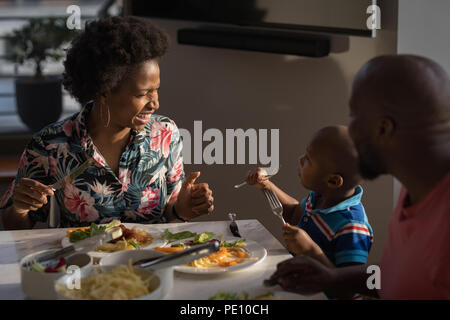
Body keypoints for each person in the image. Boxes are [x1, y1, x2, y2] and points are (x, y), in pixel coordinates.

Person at [0, 16, 214, 230]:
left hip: (151, 260)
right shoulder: (49, 146)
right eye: (143, 93)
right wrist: (20, 209)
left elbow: (171, 214)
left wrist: (183, 209)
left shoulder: (165, 134)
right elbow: (13, 229)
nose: (155, 103)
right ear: (104, 90)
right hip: (82, 263)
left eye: (156, 89)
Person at [266, 55, 450, 299]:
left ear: (383, 129)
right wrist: (335, 277)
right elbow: (392, 274)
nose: (349, 131)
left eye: (354, 117)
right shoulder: (418, 187)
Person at [246, 126, 373, 275]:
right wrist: (266, 186)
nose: (300, 159)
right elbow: (294, 214)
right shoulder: (319, 197)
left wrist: (310, 250)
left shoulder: (353, 227)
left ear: (332, 181)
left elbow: (346, 287)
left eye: (308, 159)